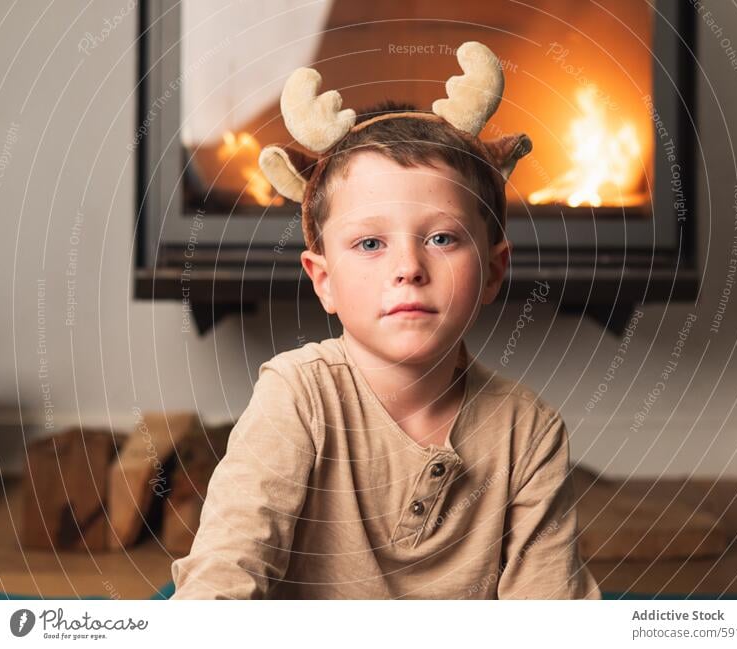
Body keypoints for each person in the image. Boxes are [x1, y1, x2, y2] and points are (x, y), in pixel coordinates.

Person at [170, 41, 601, 600]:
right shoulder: (298, 397)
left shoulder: (529, 431)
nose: (408, 268)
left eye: (442, 238)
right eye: (370, 242)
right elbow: (223, 578)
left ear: (494, 271)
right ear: (323, 280)